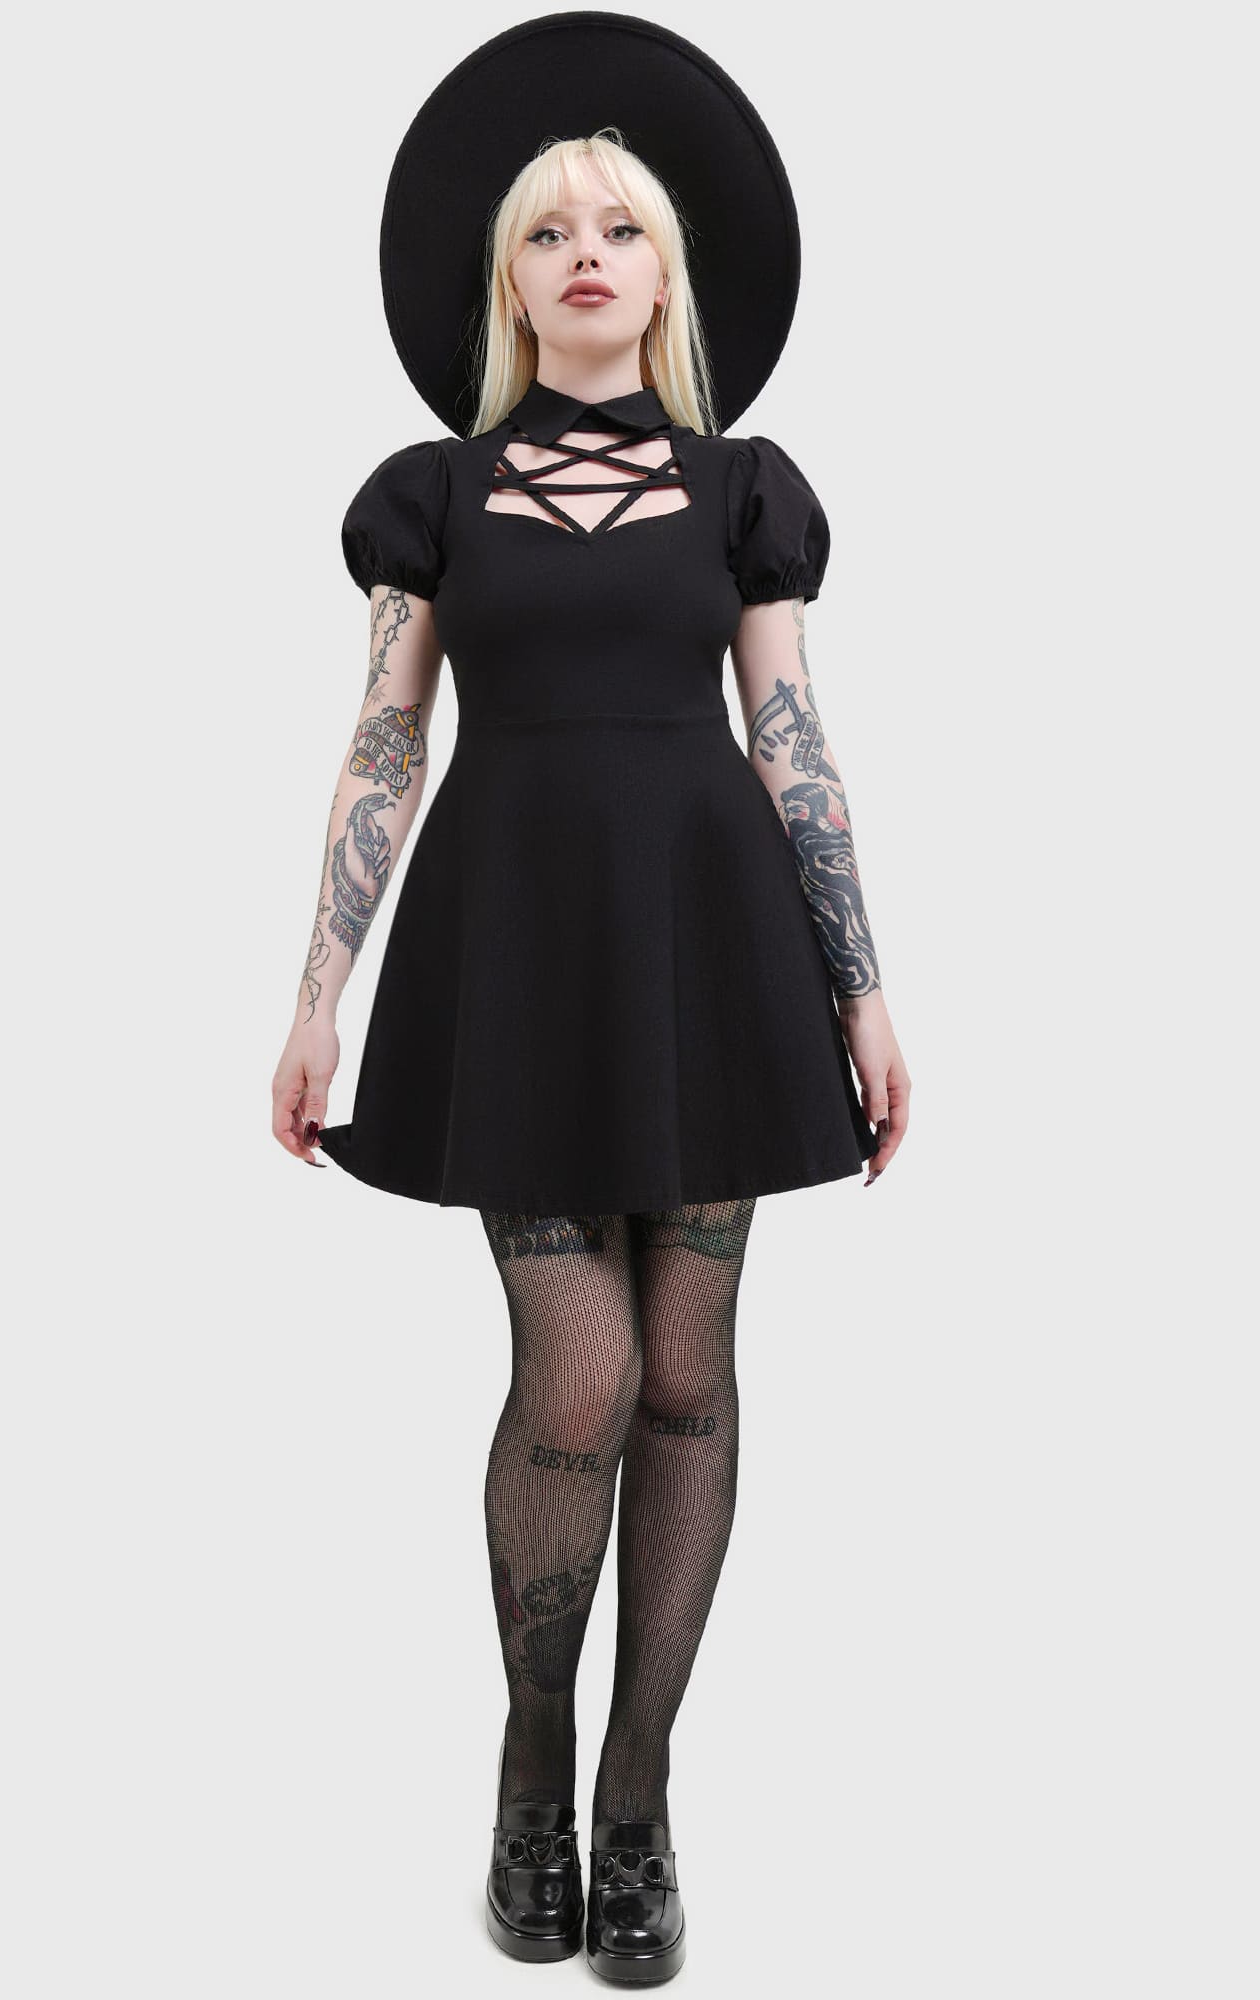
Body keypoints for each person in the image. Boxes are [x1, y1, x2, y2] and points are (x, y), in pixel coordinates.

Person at [271, 17, 910, 1985]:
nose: (582, 254)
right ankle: (531, 1765)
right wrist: (316, 992)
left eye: (617, 227)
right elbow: (383, 744)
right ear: (506, 279)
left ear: (665, 272)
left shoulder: (744, 491)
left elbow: (791, 739)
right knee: (585, 1376)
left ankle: (637, 1800)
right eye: (546, 230)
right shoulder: (431, 495)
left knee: (690, 1374)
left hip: (711, 941)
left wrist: (865, 989)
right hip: (518, 947)